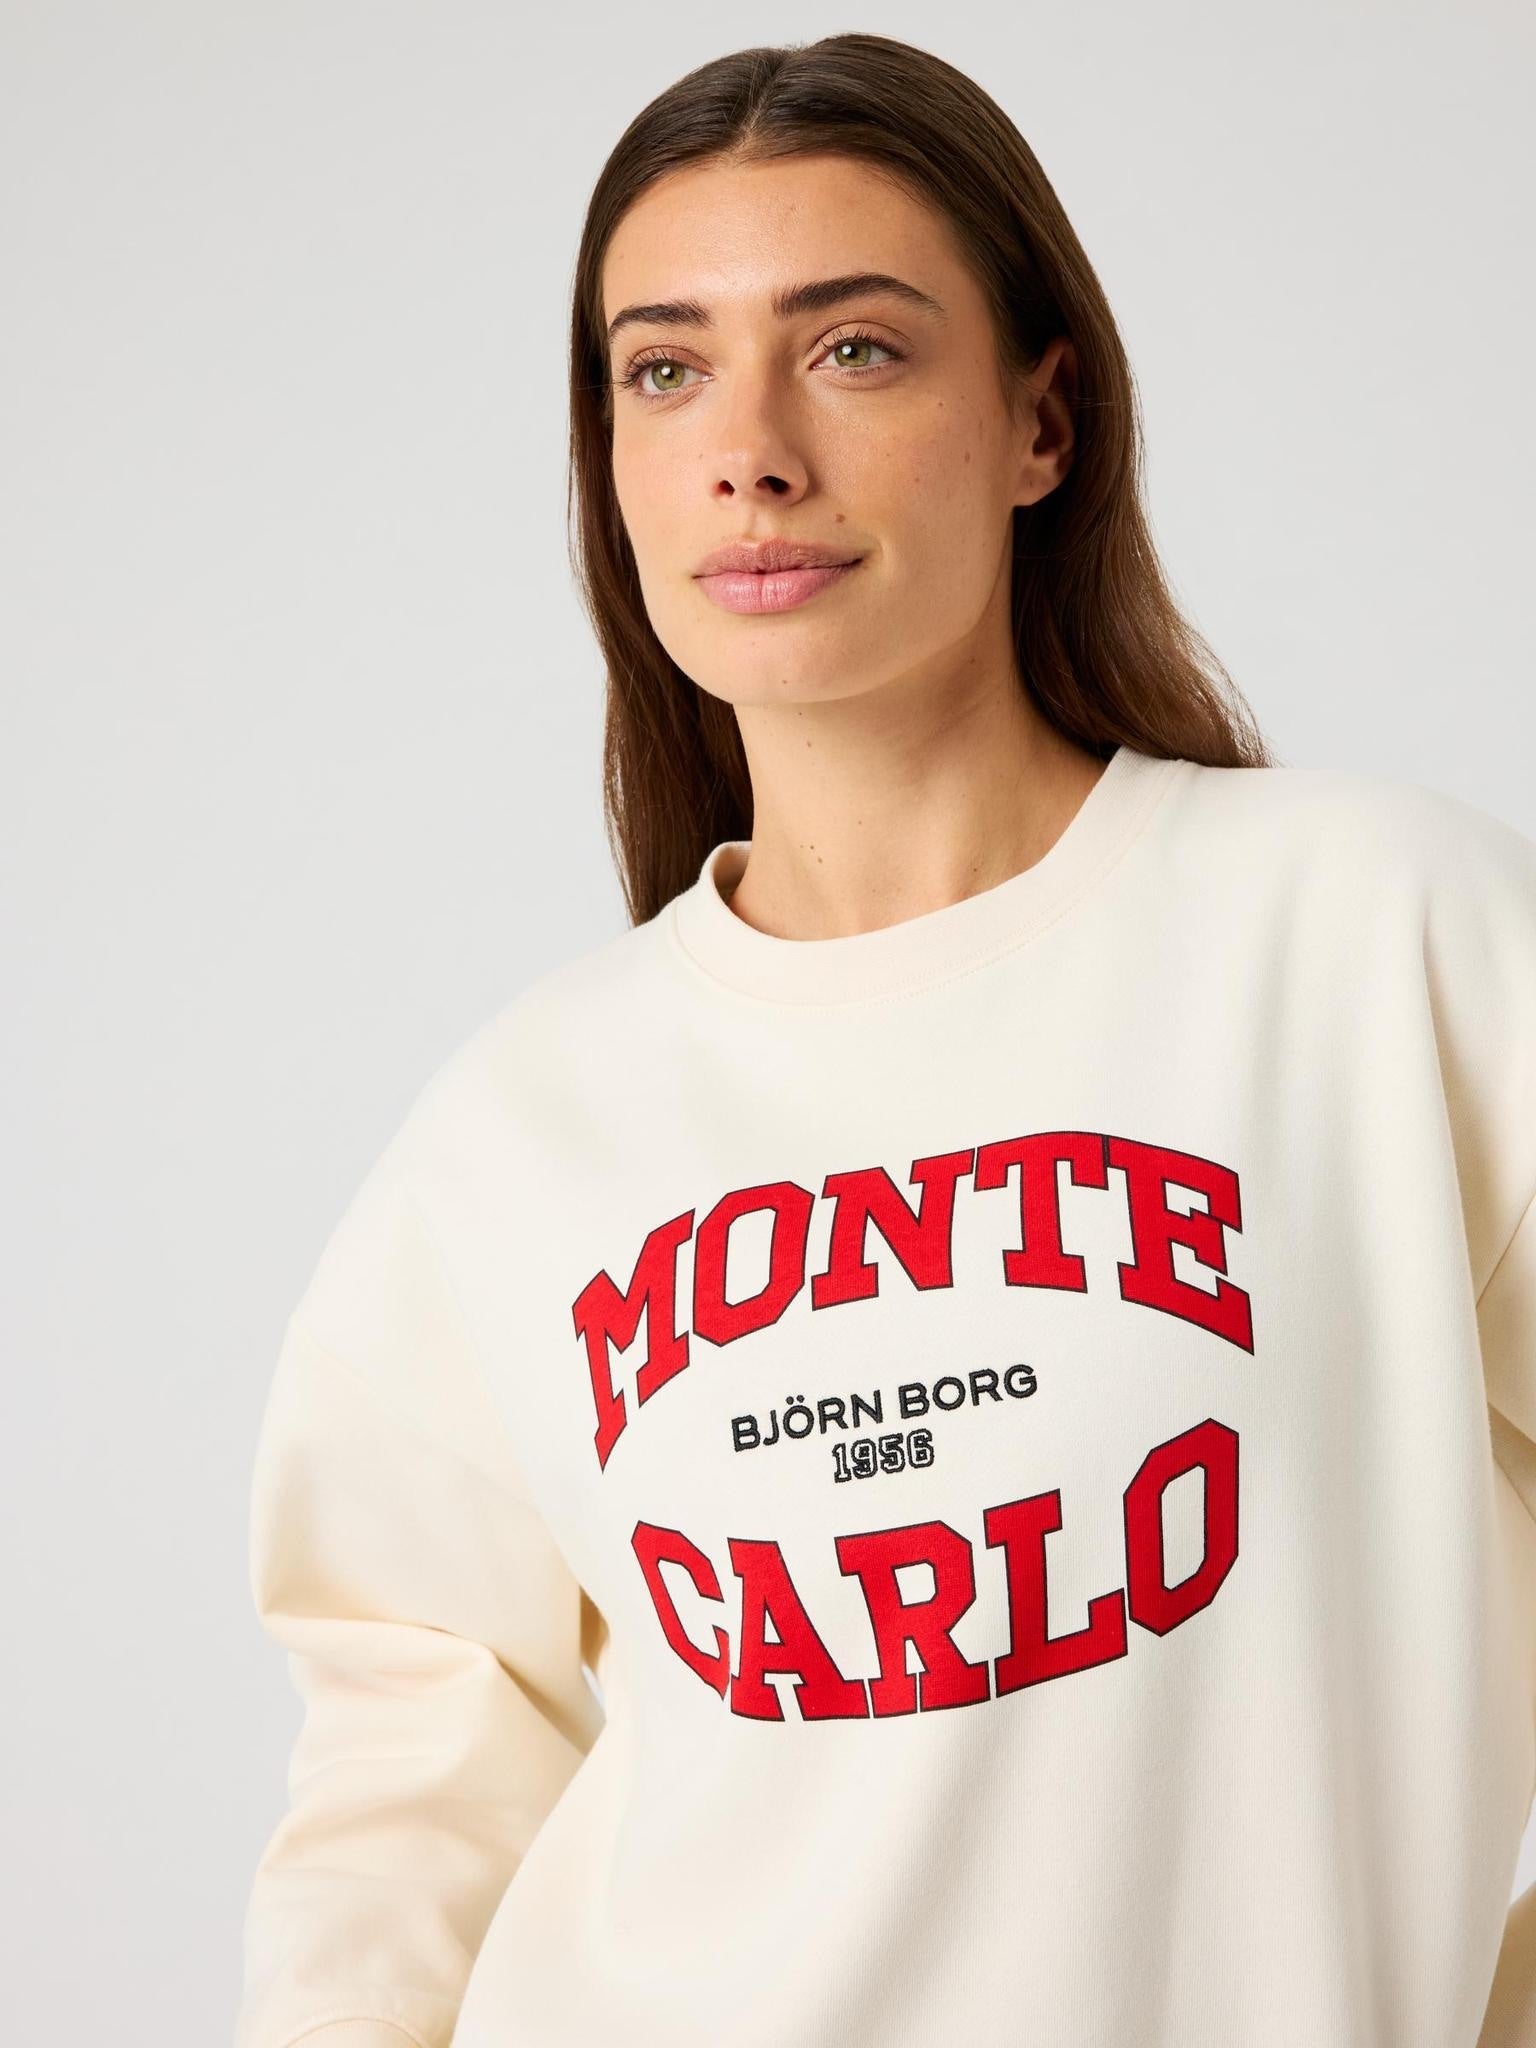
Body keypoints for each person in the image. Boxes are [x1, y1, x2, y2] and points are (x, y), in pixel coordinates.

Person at [233, 32, 1536, 2048]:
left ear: (1040, 419)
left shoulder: (1374, 935)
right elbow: (409, 1786)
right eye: (665, 369)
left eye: (852, 350)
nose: (750, 450)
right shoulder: (522, 1127)